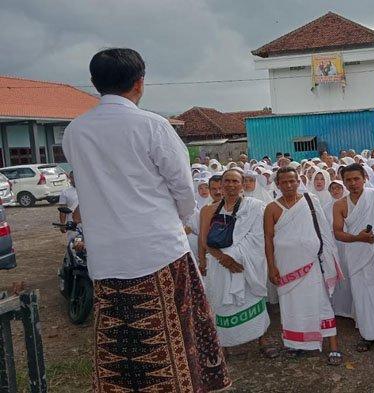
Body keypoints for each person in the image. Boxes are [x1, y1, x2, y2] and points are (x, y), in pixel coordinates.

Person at [63, 48, 230, 391]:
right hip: (158, 251)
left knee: (117, 339)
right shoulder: (153, 126)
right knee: (178, 337)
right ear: (140, 83)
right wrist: (178, 220)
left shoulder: (75, 132)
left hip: (107, 255)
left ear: (95, 84)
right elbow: (184, 191)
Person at [263, 167, 345, 365]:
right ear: (278, 184)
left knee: (321, 303)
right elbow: (268, 239)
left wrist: (328, 257)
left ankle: (333, 346)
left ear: (298, 181)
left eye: (292, 181)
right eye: (284, 182)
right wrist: (271, 267)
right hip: (285, 266)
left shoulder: (310, 201)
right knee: (292, 306)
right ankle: (297, 343)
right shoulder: (272, 208)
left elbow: (324, 232)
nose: (289, 185)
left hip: (312, 265)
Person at [199, 170, 277, 357]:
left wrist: (235, 256)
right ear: (221, 184)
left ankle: (262, 339)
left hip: (245, 265)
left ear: (242, 185)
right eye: (227, 181)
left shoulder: (255, 206)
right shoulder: (209, 210)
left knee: (252, 299)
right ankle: (224, 344)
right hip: (220, 265)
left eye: (235, 181)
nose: (231, 185)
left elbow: (259, 237)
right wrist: (222, 258)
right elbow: (204, 240)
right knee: (221, 303)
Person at [333, 164, 374, 352]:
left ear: (364, 177)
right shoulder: (340, 204)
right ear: (344, 181)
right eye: (348, 180)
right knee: (361, 295)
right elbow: (338, 233)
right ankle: (369, 334)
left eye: (356, 179)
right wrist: (358, 238)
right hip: (356, 255)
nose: (353, 183)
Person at [324, 180, 354, 319]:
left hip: (348, 243)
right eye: (332, 189)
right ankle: (339, 307)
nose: (335, 191)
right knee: (337, 274)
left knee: (349, 274)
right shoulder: (325, 208)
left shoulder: (350, 205)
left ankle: (351, 308)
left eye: (338, 188)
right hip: (333, 244)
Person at [58, 171, 79, 242]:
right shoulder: (65, 192)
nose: (74, 180)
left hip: (88, 223)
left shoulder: (89, 190)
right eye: (72, 178)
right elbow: (62, 210)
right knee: (74, 245)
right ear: (70, 178)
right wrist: (62, 224)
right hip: (72, 224)